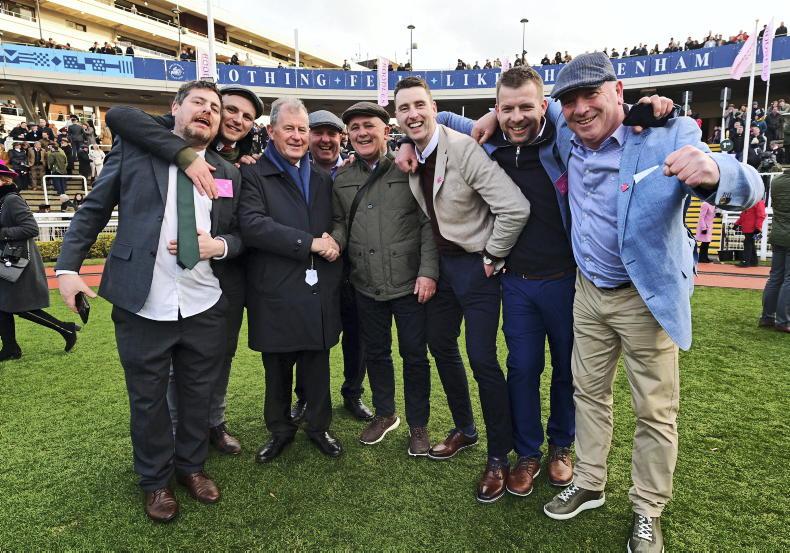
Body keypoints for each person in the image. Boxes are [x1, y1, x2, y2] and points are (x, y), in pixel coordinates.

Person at [539, 52, 762, 553]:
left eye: (591, 95)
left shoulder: (668, 132)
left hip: (645, 296)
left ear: (618, 91)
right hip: (588, 293)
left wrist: (713, 171)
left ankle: (648, 508)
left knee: (655, 411)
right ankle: (590, 482)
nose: (579, 109)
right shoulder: (565, 132)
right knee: (587, 395)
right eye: (569, 100)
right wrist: (488, 117)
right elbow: (523, 106)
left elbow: (747, 187)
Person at [56, 80, 244, 523]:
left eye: (215, 108)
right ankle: (155, 481)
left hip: (203, 301)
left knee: (197, 396)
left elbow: (240, 233)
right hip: (142, 301)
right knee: (148, 400)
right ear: (175, 108)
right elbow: (93, 209)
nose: (208, 111)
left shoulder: (228, 171)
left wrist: (220, 245)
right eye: (198, 102)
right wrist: (67, 269)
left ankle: (191, 467)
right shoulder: (136, 150)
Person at [105, 84, 264, 456]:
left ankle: (213, 425)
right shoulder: (165, 134)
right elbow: (121, 116)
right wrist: (183, 154)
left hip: (219, 283)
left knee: (215, 361)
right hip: (160, 285)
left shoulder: (240, 166)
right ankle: (173, 438)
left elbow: (241, 228)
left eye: (246, 117)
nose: (236, 119)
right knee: (166, 375)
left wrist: (219, 246)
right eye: (230, 109)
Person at [394, 77, 530, 503]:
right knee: (439, 341)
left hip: (477, 267)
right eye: (404, 108)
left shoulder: (464, 149)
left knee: (483, 359)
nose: (413, 113)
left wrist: (493, 253)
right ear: (396, 117)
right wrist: (406, 145)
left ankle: (498, 456)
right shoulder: (413, 153)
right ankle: (466, 429)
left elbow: (515, 207)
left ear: (434, 108)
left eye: (419, 105)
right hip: (446, 268)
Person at [237, 97, 344, 463]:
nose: (298, 136)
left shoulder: (322, 177)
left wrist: (334, 240)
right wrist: (309, 243)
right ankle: (280, 430)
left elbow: (337, 222)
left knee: (317, 365)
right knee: (277, 370)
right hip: (275, 289)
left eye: (302, 129)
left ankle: (318, 427)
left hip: (317, 289)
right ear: (271, 131)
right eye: (289, 129)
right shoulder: (252, 173)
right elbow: (253, 225)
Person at [330, 101, 438, 454]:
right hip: (365, 284)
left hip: (409, 284)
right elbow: (340, 223)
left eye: (369, 126)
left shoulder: (409, 169)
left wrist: (428, 272)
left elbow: (428, 224)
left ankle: (418, 425)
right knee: (376, 353)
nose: (361, 133)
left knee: (414, 356)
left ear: (386, 130)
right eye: (355, 127)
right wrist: (335, 242)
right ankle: (385, 413)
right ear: (348, 135)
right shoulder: (343, 178)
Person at [290, 110, 372, 423]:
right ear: (308, 136)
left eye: (332, 133)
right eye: (318, 132)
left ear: (342, 138)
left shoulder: (357, 168)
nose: (325, 139)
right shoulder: (294, 170)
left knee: (358, 336)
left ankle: (353, 393)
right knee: (308, 335)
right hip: (313, 268)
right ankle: (305, 396)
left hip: (354, 269)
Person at [0, 160, 79, 361]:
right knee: (2, 305)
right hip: (7, 260)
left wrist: (2, 233)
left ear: (3, 180)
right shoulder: (2, 201)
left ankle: (65, 329)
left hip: (17, 262)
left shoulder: (11, 200)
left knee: (21, 307)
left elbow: (31, 228)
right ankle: (10, 348)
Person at [760, 170, 790, 332]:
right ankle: (783, 320)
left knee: (775, 277)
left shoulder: (776, 181)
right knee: (788, 279)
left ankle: (767, 317)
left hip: (778, 233)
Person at [735, 199, 766, 267]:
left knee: (748, 243)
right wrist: (736, 224)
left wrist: (758, 227)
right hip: (748, 228)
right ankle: (753, 262)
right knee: (751, 244)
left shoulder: (758, 202)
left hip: (753, 228)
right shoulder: (749, 201)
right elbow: (743, 215)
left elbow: (761, 215)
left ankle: (746, 262)